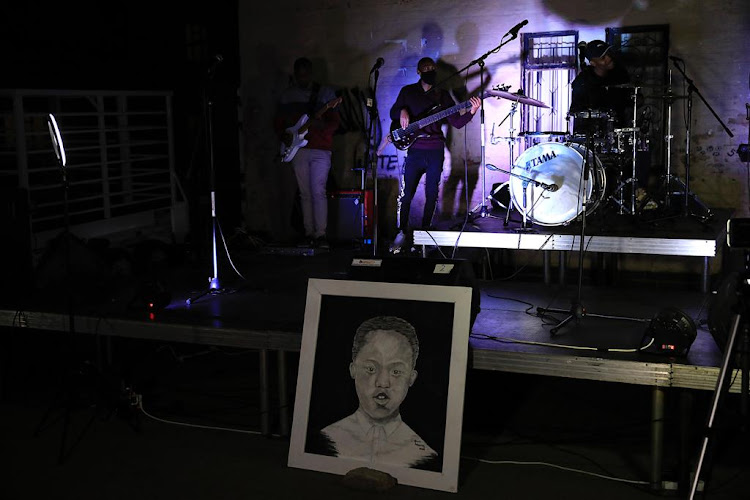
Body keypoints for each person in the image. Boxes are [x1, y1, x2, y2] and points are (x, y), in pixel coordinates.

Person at [316, 316, 438, 469]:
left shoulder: (423, 455)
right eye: (371, 369)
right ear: (353, 370)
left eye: (396, 371)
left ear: (411, 378)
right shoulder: (325, 439)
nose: (383, 383)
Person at [388, 57, 481, 253]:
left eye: (432, 68)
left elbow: (456, 122)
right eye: (426, 68)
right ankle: (401, 231)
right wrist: (402, 110)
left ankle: (425, 233)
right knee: (406, 194)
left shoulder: (443, 95)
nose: (430, 70)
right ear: (419, 72)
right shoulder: (407, 92)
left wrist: (472, 111)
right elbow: (393, 112)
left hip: (435, 150)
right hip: (414, 150)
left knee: (432, 194)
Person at [274, 57, 341, 248]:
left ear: (311, 73)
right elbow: (278, 122)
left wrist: (320, 125)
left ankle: (320, 235)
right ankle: (309, 233)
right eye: (300, 75)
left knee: (318, 191)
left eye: (306, 74)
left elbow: (334, 123)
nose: (303, 78)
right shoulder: (287, 95)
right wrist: (283, 135)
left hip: (321, 149)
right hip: (298, 149)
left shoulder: (326, 93)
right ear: (295, 75)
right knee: (305, 193)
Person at [569, 40, 632, 127]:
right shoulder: (583, 81)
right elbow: (576, 111)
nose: (609, 58)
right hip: (592, 133)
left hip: (620, 132)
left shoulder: (620, 75)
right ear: (593, 63)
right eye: (603, 58)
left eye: (608, 53)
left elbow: (632, 101)